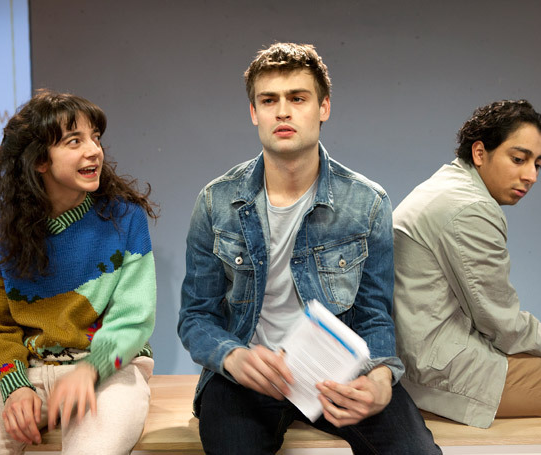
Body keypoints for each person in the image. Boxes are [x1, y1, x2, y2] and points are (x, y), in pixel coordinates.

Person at [178, 42, 440, 455]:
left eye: (297, 98)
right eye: (269, 100)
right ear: (254, 113)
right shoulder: (216, 202)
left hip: (338, 374)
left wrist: (381, 379)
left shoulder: (366, 202)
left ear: (324, 107)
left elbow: (374, 314)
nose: (283, 111)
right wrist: (232, 357)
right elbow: (196, 317)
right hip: (247, 379)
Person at [392, 99, 541, 454]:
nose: (531, 176)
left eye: (538, 164)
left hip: (426, 358)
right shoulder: (470, 208)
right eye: (518, 159)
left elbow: (492, 320)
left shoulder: (446, 185)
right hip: (442, 372)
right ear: (479, 152)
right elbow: (503, 326)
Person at [0, 90, 158, 454]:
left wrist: (90, 369)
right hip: (20, 371)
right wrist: (14, 385)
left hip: (105, 370)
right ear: (40, 161)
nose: (94, 150)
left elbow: (133, 318)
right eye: (74, 141)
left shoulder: (125, 218)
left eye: (95, 138)